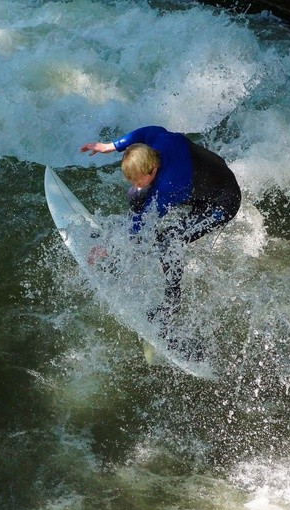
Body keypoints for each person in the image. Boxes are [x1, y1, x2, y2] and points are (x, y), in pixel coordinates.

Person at [80, 125, 241, 345]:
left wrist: (109, 246)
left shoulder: (170, 184)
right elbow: (144, 133)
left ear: (153, 170)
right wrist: (111, 146)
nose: (136, 184)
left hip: (222, 201)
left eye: (138, 179)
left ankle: (171, 306)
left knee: (169, 240)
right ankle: (122, 257)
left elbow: (141, 223)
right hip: (203, 181)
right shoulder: (157, 141)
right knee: (135, 196)